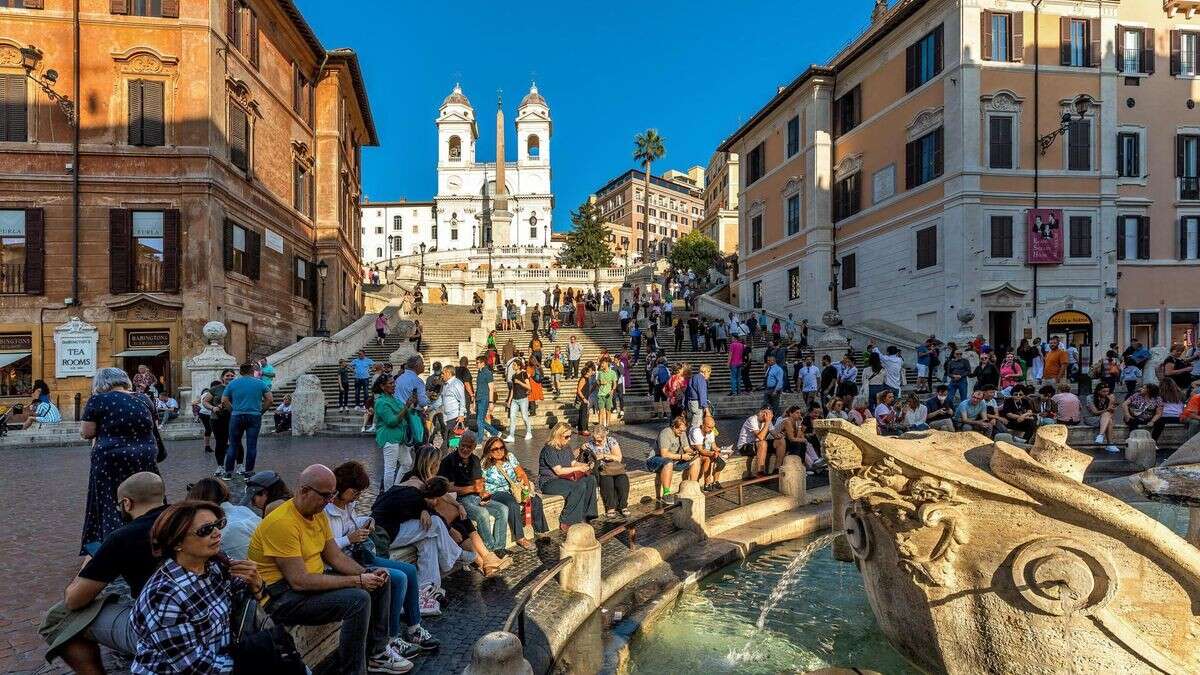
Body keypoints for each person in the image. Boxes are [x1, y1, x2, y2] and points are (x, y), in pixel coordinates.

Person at [249, 464, 409, 675]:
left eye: (332, 494)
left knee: (380, 581)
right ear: (304, 490)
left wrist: (365, 574)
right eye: (325, 496)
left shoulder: (318, 514)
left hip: (308, 582)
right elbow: (299, 580)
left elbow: (335, 556)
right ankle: (353, 671)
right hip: (282, 596)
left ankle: (377, 654)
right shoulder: (282, 523)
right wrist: (357, 581)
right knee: (358, 600)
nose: (330, 501)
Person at [41, 473, 168, 674]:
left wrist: (91, 561)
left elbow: (75, 600)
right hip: (209, 617)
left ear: (126, 503)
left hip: (160, 629)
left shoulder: (122, 537)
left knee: (57, 619)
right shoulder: (188, 520)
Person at [130, 500, 274, 674]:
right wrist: (258, 663)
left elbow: (250, 598)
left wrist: (256, 584)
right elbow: (194, 667)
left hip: (223, 657)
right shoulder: (164, 596)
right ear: (177, 543)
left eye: (218, 524)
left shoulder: (215, 564)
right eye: (205, 530)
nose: (217, 533)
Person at [325, 462, 439, 659]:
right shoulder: (327, 512)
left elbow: (351, 525)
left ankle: (414, 628)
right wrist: (349, 539)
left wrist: (366, 523)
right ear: (345, 489)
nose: (357, 497)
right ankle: (391, 638)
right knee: (398, 578)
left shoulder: (348, 505)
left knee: (409, 571)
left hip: (359, 556)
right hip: (346, 563)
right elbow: (329, 546)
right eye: (356, 492)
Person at [79, 368, 161, 555]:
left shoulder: (98, 400)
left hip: (111, 458)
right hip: (145, 455)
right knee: (147, 497)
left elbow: (87, 432)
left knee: (112, 500)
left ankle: (114, 548)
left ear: (100, 383)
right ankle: (153, 538)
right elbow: (153, 426)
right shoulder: (144, 398)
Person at [438, 430, 509, 552]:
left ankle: (500, 548)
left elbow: (479, 483)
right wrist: (472, 489)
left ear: (474, 447)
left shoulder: (474, 460)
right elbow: (448, 489)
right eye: (463, 445)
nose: (465, 449)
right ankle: (490, 549)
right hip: (459, 501)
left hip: (476, 498)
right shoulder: (449, 461)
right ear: (459, 444)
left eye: (469, 447)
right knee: (482, 514)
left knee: (503, 509)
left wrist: (483, 494)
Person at [481, 437, 550, 548]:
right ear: (489, 451)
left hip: (514, 489)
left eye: (501, 448)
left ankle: (540, 530)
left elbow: (522, 474)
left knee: (535, 499)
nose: (499, 451)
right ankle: (520, 538)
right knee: (512, 503)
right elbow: (480, 483)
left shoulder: (510, 457)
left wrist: (526, 492)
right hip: (496, 492)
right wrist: (483, 496)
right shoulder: (484, 464)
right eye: (495, 449)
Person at [539, 423, 598, 527]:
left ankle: (587, 514)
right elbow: (559, 471)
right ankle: (567, 520)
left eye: (570, 436)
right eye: (567, 436)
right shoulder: (548, 449)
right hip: (550, 482)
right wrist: (579, 468)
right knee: (579, 486)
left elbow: (573, 463)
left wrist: (585, 465)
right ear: (558, 435)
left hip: (566, 479)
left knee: (590, 479)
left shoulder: (566, 447)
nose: (569, 439)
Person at [221, 362, 272, 478]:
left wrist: (232, 411)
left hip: (237, 416)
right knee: (252, 445)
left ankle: (228, 473)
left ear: (240, 372)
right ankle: (249, 472)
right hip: (254, 415)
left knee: (233, 445)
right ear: (252, 371)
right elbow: (270, 400)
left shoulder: (233, 383)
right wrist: (261, 412)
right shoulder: (260, 383)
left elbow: (224, 400)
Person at [373, 375, 417, 493]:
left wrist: (411, 406)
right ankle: (388, 494)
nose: (394, 385)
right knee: (390, 468)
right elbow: (391, 421)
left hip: (400, 437)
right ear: (382, 386)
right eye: (391, 383)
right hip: (389, 437)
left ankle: (396, 487)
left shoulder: (394, 399)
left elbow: (405, 414)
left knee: (407, 463)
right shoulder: (381, 402)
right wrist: (406, 407)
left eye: (394, 383)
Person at [645, 416, 699, 503]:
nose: (682, 433)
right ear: (674, 427)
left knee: (696, 459)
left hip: (674, 460)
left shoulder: (682, 432)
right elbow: (664, 454)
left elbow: (686, 448)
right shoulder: (665, 433)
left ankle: (692, 487)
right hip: (655, 460)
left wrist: (693, 452)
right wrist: (682, 457)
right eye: (680, 431)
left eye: (684, 430)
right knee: (668, 462)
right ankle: (666, 494)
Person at [582, 425, 630, 517]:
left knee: (622, 480)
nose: (596, 442)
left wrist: (604, 455)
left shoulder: (611, 441)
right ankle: (610, 508)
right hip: (602, 470)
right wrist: (583, 449)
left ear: (605, 436)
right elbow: (581, 452)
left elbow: (619, 458)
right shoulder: (590, 444)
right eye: (594, 439)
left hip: (615, 468)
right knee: (607, 481)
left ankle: (623, 506)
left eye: (599, 440)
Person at [737, 406, 784, 476]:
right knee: (763, 443)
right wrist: (767, 422)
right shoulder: (752, 419)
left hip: (758, 445)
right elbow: (761, 437)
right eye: (766, 414)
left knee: (781, 441)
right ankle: (760, 472)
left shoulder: (768, 421)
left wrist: (779, 435)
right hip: (745, 446)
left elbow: (774, 434)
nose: (768, 416)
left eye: (770, 415)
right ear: (760, 412)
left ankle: (777, 469)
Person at [689, 414, 726, 492]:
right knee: (708, 458)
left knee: (722, 460)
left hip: (707, 452)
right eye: (709, 427)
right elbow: (700, 450)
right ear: (702, 425)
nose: (711, 430)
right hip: (695, 453)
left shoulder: (711, 432)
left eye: (712, 427)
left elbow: (714, 445)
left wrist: (720, 451)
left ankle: (715, 482)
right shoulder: (696, 432)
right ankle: (707, 483)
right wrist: (713, 453)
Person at [505, 359, 534, 442]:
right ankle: (511, 436)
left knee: (525, 417)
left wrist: (519, 382)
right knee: (512, 417)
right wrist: (509, 400)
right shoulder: (513, 376)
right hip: (514, 399)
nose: (513, 366)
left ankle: (529, 432)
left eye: (514, 365)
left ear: (518, 366)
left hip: (523, 399)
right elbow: (512, 389)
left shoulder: (523, 374)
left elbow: (529, 387)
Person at [1085, 383, 1120, 454]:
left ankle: (1101, 436)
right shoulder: (1090, 397)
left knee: (1109, 419)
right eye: (1104, 391)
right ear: (1098, 391)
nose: (1106, 393)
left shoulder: (1109, 398)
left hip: (1105, 419)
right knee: (1108, 417)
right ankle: (1110, 444)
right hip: (1091, 419)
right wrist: (1107, 409)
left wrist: (1111, 401)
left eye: (1107, 391)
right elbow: (1095, 412)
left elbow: (1111, 414)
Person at [685, 364, 711, 429]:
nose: (709, 375)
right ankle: (694, 437)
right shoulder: (701, 379)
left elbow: (687, 391)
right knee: (696, 424)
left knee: (694, 421)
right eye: (709, 373)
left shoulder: (693, 377)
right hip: (697, 403)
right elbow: (702, 394)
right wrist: (706, 409)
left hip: (690, 402)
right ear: (706, 371)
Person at [574, 362, 597, 436]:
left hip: (585, 398)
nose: (591, 373)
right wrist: (584, 398)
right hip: (582, 399)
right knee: (584, 414)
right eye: (589, 372)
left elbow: (588, 389)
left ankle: (580, 429)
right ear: (586, 372)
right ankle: (584, 430)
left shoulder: (587, 378)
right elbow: (579, 390)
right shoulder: (583, 379)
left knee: (582, 414)